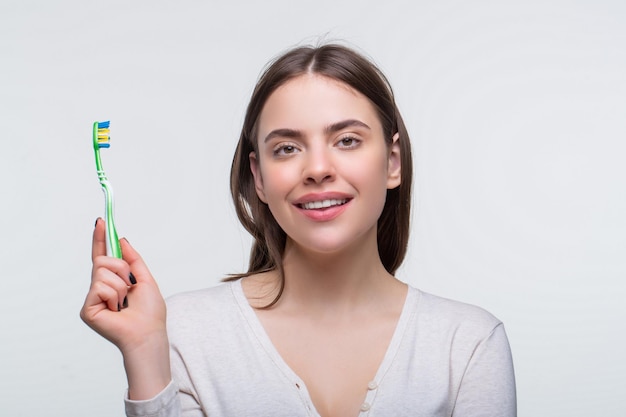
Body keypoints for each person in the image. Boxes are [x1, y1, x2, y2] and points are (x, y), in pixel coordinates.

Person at [81, 43, 516, 417]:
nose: (318, 169)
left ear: (393, 162)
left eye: (347, 140)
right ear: (260, 178)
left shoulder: (469, 344)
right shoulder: (182, 331)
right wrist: (145, 354)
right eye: (287, 148)